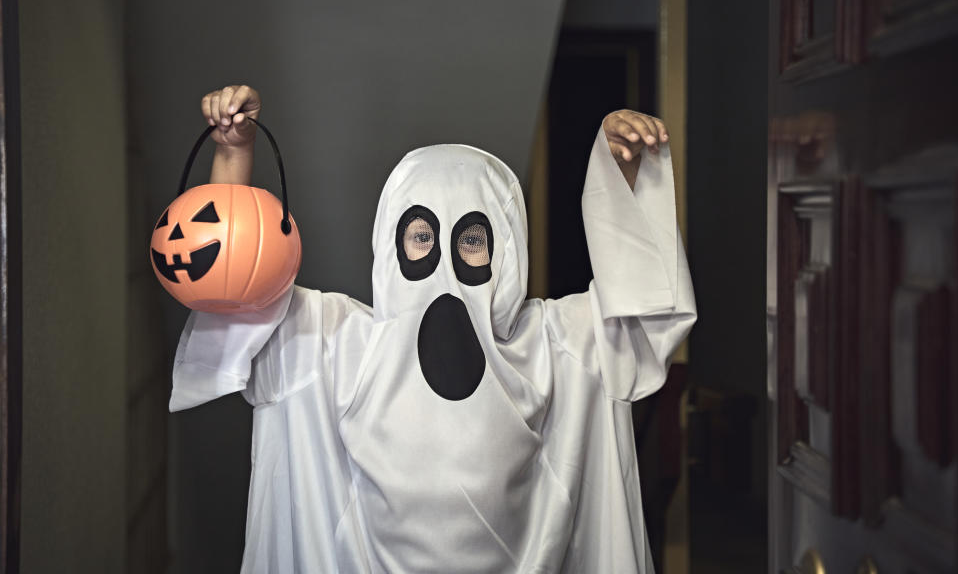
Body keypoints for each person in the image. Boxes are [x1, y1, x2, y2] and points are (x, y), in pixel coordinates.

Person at [170, 85, 696, 573]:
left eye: (472, 239)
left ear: (506, 252)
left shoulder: (554, 347)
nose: (443, 260)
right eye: (421, 236)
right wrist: (233, 155)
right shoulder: (335, 343)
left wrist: (622, 178)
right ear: (390, 242)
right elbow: (232, 290)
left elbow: (641, 313)